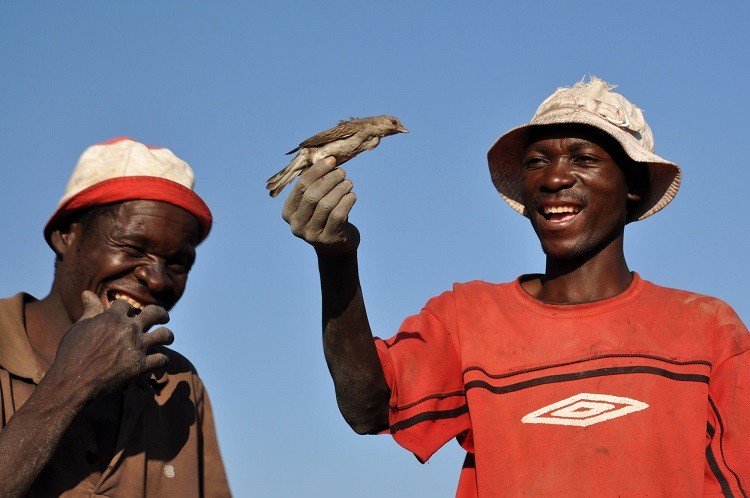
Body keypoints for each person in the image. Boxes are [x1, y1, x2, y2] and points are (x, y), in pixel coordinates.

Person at [280, 78, 749, 496]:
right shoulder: (469, 318)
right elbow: (369, 409)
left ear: (633, 185)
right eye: (536, 162)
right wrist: (337, 259)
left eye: (584, 158)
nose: (555, 177)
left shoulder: (706, 329)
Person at [0, 137, 231, 497]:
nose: (156, 279)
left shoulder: (178, 384)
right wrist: (73, 382)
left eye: (178, 263)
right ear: (65, 235)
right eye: (132, 248)